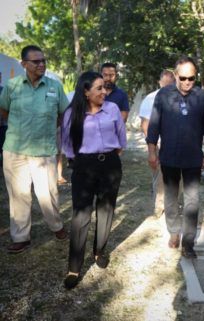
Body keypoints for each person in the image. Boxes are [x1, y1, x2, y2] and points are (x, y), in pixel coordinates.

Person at [0, 45, 68, 254]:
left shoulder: (54, 86)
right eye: (36, 61)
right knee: (19, 195)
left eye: (43, 60)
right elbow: (4, 112)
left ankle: (56, 226)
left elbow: (63, 114)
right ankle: (21, 237)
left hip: (44, 150)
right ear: (24, 64)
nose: (41, 64)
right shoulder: (12, 86)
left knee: (48, 194)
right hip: (15, 150)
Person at [61, 71, 127, 289]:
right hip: (83, 165)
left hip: (109, 164)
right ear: (85, 91)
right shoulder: (72, 113)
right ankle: (74, 266)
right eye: (98, 88)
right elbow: (67, 145)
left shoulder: (112, 109)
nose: (104, 92)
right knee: (81, 215)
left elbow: (121, 137)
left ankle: (99, 251)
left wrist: (109, 156)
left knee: (106, 210)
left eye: (104, 88)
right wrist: (81, 161)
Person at [146, 56, 204, 259]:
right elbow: (154, 127)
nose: (187, 82)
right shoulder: (163, 95)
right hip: (169, 157)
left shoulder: (202, 97)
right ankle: (174, 232)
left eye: (191, 78)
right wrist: (152, 152)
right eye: (183, 77)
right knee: (171, 198)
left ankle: (189, 242)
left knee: (192, 200)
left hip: (193, 158)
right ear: (175, 75)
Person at [138, 69, 175, 216]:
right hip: (158, 144)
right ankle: (159, 207)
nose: (166, 87)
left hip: (174, 144)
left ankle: (171, 204)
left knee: (173, 177)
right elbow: (145, 124)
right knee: (159, 177)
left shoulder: (179, 97)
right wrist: (153, 146)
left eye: (170, 84)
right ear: (159, 82)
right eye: (164, 84)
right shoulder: (151, 98)